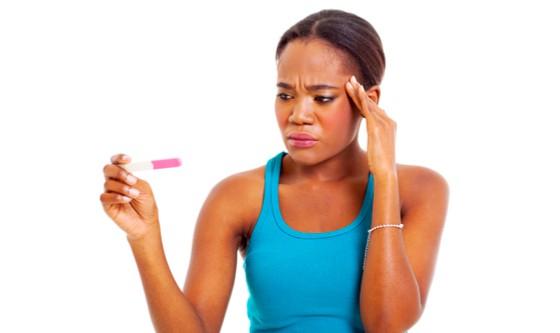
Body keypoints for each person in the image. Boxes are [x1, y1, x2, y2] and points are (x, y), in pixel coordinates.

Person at [100, 8, 449, 333]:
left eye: (322, 98)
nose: (298, 114)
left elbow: (387, 324)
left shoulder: (421, 189)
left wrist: (385, 177)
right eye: (285, 96)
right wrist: (143, 237)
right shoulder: (237, 196)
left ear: (368, 101)